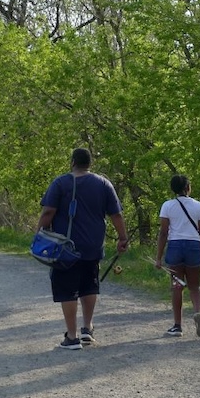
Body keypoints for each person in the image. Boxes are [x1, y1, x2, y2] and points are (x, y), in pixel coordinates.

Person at [37, 148, 129, 350]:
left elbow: (48, 211)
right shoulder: (104, 184)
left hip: (65, 248)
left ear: (72, 162)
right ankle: (87, 328)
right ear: (90, 163)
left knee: (68, 289)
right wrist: (123, 238)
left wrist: (40, 234)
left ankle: (72, 336)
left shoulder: (61, 183)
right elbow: (116, 215)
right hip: (93, 245)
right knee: (89, 285)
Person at [155, 174, 200, 337]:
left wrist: (158, 257)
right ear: (188, 188)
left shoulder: (167, 206)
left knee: (177, 287)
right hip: (193, 247)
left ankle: (177, 326)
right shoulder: (198, 206)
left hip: (175, 247)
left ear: (173, 189)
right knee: (195, 286)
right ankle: (197, 312)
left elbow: (163, 233)